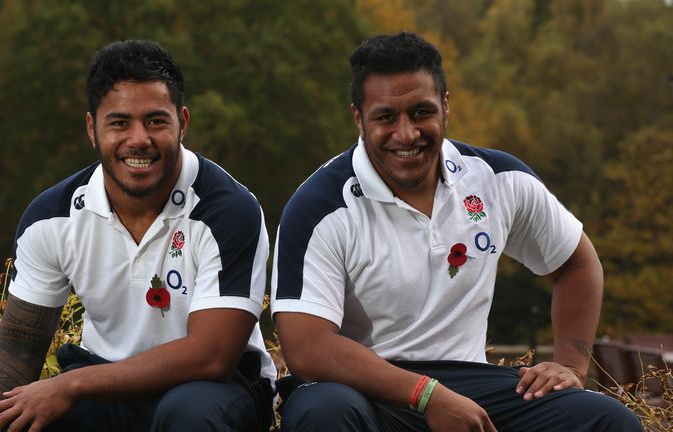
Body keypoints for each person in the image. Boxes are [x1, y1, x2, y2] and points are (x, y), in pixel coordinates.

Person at [270, 32, 642, 432]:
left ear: (445, 106)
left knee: (608, 420)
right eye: (385, 117)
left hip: (470, 383)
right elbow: (308, 347)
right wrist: (425, 394)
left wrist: (571, 365)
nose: (406, 134)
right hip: (362, 388)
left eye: (421, 112)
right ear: (358, 118)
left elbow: (576, 264)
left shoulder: (498, 179)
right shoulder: (319, 206)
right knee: (322, 411)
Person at [0, 40, 276, 432]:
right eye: (119, 123)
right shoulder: (51, 218)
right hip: (103, 385)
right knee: (29, 418)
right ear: (91, 129)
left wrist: (71, 384)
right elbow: (18, 346)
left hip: (213, 389)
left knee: (190, 412)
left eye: (156, 121)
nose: (138, 139)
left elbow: (212, 355)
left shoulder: (228, 210)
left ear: (182, 122)